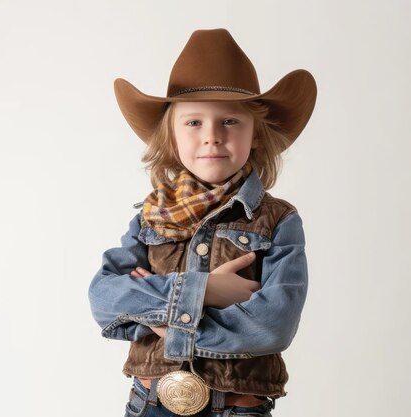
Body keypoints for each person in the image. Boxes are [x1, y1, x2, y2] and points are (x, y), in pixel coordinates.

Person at [88, 28, 317, 417]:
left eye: (230, 121)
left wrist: (167, 324)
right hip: (150, 403)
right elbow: (105, 298)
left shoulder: (278, 221)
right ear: (172, 137)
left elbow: (273, 324)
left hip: (238, 408)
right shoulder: (150, 217)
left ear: (256, 135)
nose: (212, 137)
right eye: (193, 123)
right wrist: (207, 289)